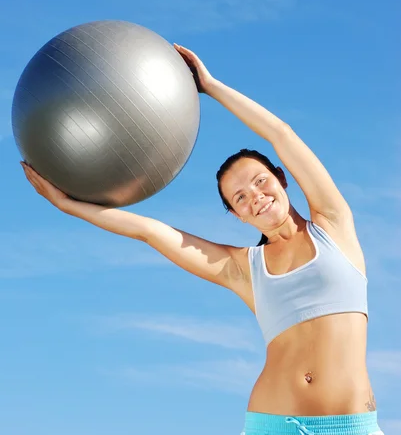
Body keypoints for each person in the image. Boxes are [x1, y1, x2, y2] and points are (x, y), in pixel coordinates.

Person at [21, 44, 384, 435]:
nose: (256, 196)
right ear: (236, 214)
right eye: (240, 198)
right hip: (273, 424)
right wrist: (67, 205)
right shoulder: (244, 270)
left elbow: (282, 133)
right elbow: (150, 231)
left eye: (260, 182)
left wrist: (210, 86)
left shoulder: (334, 225)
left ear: (281, 178)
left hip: (352, 426)